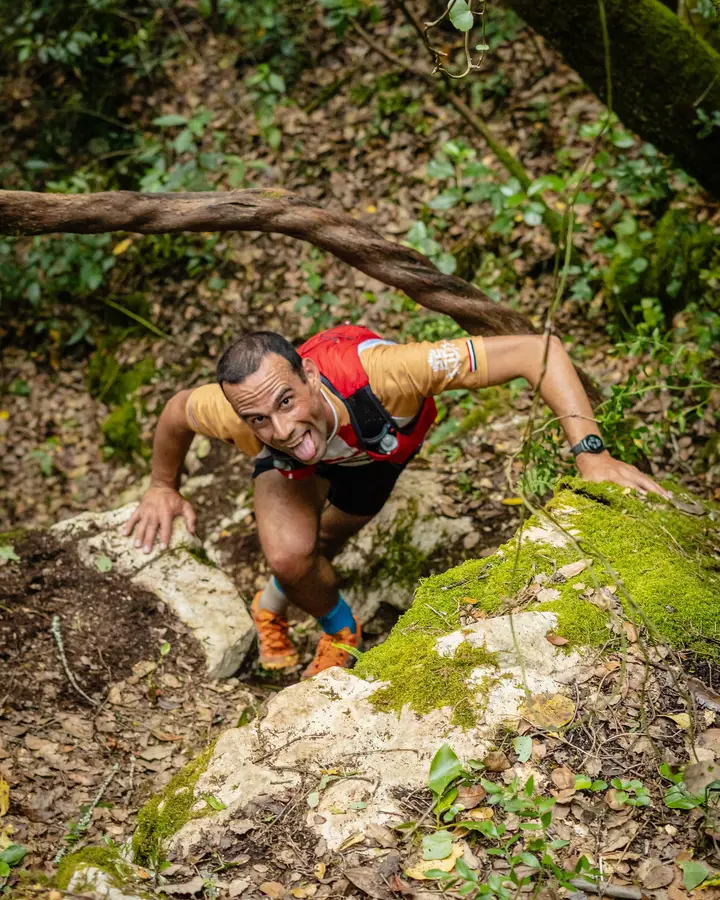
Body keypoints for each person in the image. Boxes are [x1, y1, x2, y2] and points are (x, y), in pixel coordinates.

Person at [124, 324, 666, 678]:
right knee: (290, 554)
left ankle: (273, 601)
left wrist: (591, 454)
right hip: (296, 472)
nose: (281, 426)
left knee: (328, 540)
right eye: (258, 418)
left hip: (373, 455)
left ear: (309, 375)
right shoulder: (241, 413)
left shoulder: (388, 374)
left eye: (287, 401)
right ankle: (339, 628)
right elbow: (176, 412)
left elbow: (535, 351)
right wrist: (162, 486)